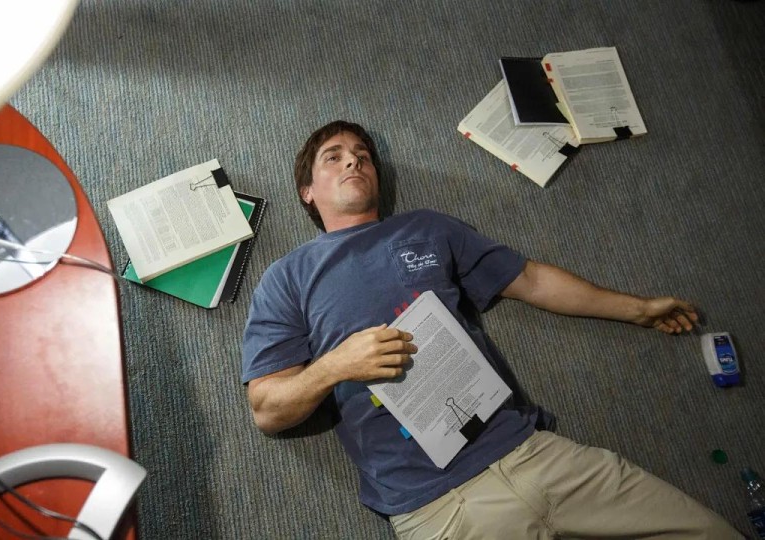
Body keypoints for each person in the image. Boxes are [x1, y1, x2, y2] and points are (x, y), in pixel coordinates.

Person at [241, 121, 742, 539]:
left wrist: (637, 309)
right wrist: (336, 365)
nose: (354, 160)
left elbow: (531, 280)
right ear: (307, 192)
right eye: (333, 157)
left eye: (363, 155)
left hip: (531, 451)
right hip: (438, 507)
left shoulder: (426, 228)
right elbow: (267, 410)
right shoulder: (287, 277)